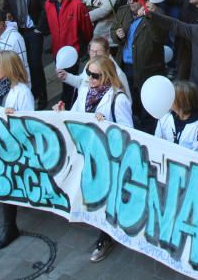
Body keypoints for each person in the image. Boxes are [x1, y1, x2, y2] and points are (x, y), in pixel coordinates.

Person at [57, 56, 133, 262]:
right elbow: (76, 115)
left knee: (107, 197)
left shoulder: (118, 99)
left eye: (95, 76)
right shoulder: (84, 91)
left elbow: (129, 133)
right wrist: (62, 113)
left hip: (108, 157)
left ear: (107, 76)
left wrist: (107, 124)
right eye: (88, 73)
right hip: (87, 152)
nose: (90, 79)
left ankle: (105, 238)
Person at [0, 50, 34, 251]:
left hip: (11, 148)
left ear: (8, 68)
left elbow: (30, 124)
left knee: (6, 186)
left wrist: (14, 117)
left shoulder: (22, 92)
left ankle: (9, 227)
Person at [111, 0, 168, 128]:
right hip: (125, 67)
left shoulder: (157, 14)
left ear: (145, 0)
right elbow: (113, 30)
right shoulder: (124, 11)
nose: (130, 2)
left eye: (135, 0)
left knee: (146, 107)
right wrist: (117, 35)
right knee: (127, 103)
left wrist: (150, 17)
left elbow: (159, 38)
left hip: (146, 69)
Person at [3, 0, 49, 108]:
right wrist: (8, 15)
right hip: (19, 30)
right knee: (22, 63)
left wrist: (39, 28)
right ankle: (31, 92)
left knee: (35, 64)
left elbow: (45, 8)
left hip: (33, 30)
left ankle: (42, 96)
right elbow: (7, 6)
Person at [41, 0, 93, 107]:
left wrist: (82, 48)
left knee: (70, 84)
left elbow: (87, 29)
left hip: (72, 51)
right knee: (63, 80)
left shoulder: (77, 5)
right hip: (57, 50)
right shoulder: (49, 3)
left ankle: (70, 108)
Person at [154, 80, 198, 151]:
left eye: (171, 96)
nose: (167, 99)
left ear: (182, 101)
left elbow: (196, 153)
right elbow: (156, 141)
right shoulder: (165, 117)